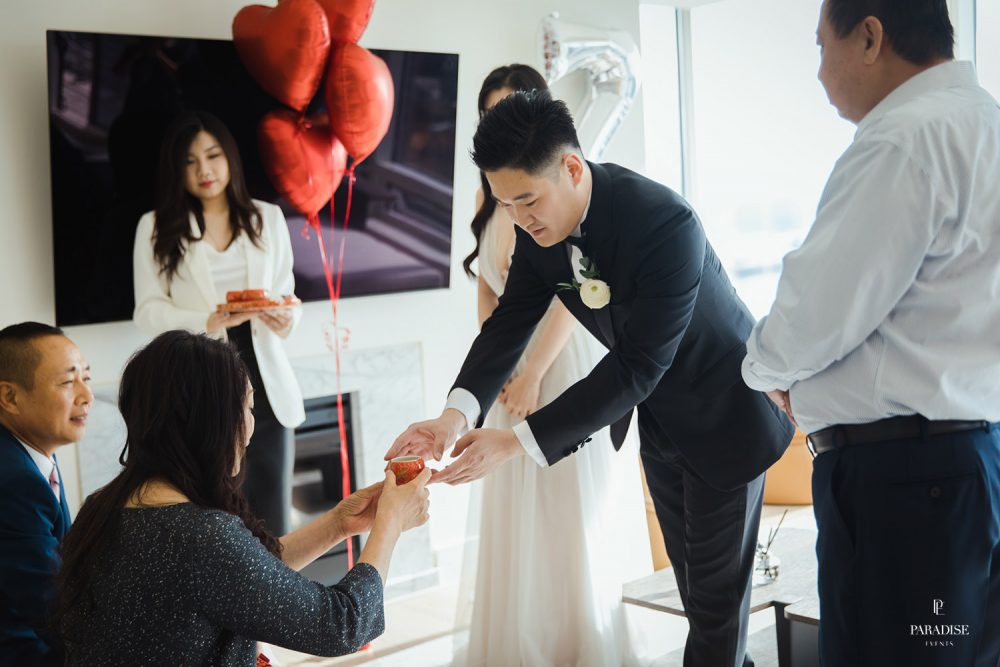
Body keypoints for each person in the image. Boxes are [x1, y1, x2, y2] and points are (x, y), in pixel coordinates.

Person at [387, 90, 795, 666]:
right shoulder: (540, 236)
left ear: (572, 167)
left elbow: (639, 364)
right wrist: (453, 417)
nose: (519, 220)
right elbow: (508, 327)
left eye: (526, 200)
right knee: (702, 601)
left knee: (715, 611)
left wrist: (516, 442)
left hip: (725, 419)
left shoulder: (665, 222)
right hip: (661, 426)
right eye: (505, 205)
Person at [741, 1, 1000, 665]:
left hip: (902, 484)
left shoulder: (903, 139)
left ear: (870, 37)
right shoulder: (987, 124)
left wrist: (766, 374)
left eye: (821, 47)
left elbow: (814, 312)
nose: (821, 74)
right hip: (972, 466)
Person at [54, 330, 430, 664]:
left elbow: (240, 577)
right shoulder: (201, 536)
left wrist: (338, 524)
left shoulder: (101, 508)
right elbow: (342, 625)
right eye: (249, 406)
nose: (252, 426)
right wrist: (390, 524)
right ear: (214, 419)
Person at [456, 64, 650, 666]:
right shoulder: (495, 198)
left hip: (563, 364)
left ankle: (579, 646)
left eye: (513, 108)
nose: (503, 122)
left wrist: (534, 373)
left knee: (567, 519)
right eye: (492, 112)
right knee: (520, 524)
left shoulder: (568, 195)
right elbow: (494, 300)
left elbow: (572, 297)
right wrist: (490, 386)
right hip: (508, 370)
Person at [133, 110, 303, 535]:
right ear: (177, 170)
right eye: (190, 161)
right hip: (199, 388)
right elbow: (147, 312)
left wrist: (285, 315)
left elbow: (288, 295)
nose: (204, 170)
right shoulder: (155, 228)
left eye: (213, 156)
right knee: (213, 525)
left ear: (230, 158)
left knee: (273, 522)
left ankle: (275, 603)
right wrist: (207, 320)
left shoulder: (268, 218)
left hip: (263, 389)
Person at [0, 323, 90, 666]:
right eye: (68, 382)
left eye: (87, 378)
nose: (86, 396)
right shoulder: (13, 480)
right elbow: (54, 611)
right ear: (10, 397)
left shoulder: (29, 455)